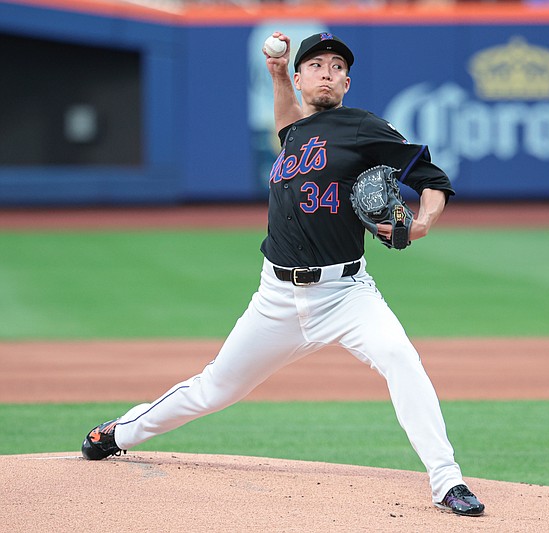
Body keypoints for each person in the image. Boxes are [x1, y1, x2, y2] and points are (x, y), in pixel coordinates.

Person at [81, 31, 485, 517]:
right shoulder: (295, 132)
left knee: (400, 358)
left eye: (337, 67)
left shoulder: (362, 127)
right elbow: (285, 123)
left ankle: (447, 481)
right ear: (301, 77)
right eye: (316, 65)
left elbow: (433, 180)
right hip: (275, 298)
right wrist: (276, 77)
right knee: (215, 388)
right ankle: (119, 433)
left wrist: (419, 224)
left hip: (346, 294)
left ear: (347, 83)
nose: (327, 73)